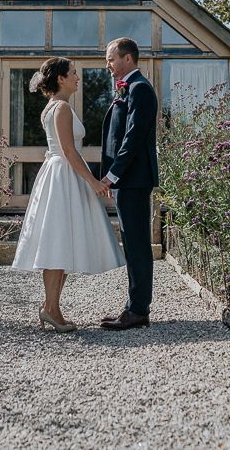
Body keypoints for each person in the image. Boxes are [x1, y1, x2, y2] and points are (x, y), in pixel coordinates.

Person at [12, 57, 124, 333]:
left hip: (60, 174)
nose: (77, 77)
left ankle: (51, 307)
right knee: (57, 242)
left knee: (59, 242)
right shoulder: (60, 108)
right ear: (61, 78)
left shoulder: (54, 106)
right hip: (64, 175)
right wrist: (94, 182)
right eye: (73, 73)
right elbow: (69, 151)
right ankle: (51, 309)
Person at [99, 38, 159, 330]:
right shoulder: (128, 88)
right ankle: (134, 307)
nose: (107, 65)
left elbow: (133, 138)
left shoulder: (140, 89)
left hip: (134, 180)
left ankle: (138, 310)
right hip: (127, 181)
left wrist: (112, 175)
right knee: (131, 243)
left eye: (111, 59)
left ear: (127, 59)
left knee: (137, 246)